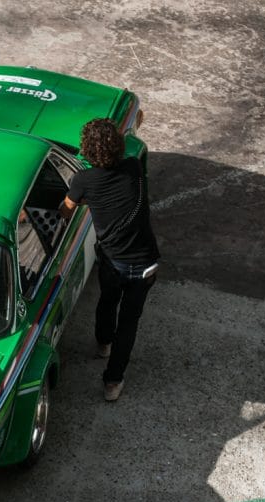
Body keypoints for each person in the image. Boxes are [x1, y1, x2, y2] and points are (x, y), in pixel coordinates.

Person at [62, 118, 160, 402]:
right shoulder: (133, 168)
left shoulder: (83, 181)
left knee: (107, 300)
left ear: (87, 151)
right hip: (145, 264)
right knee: (129, 323)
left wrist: (80, 199)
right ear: (118, 146)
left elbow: (66, 210)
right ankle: (113, 382)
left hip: (113, 261)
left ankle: (103, 342)